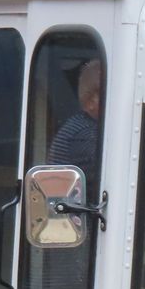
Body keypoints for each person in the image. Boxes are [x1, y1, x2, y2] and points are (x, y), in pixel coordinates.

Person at [47, 58, 102, 193]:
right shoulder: (83, 133)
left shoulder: (86, 124)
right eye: (107, 95)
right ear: (89, 102)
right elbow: (108, 173)